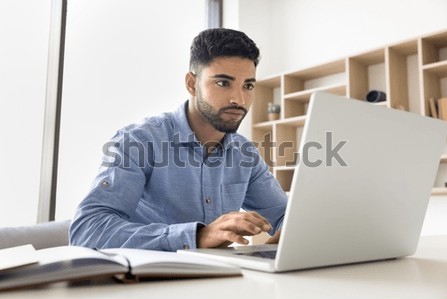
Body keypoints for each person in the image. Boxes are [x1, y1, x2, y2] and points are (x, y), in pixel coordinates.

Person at [69, 28, 287, 251]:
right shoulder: (139, 141)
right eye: (223, 83)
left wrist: (287, 240)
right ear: (192, 84)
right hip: (146, 280)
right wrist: (197, 236)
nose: (239, 99)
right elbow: (87, 230)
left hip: (219, 278)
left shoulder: (245, 154)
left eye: (248, 85)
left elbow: (285, 217)